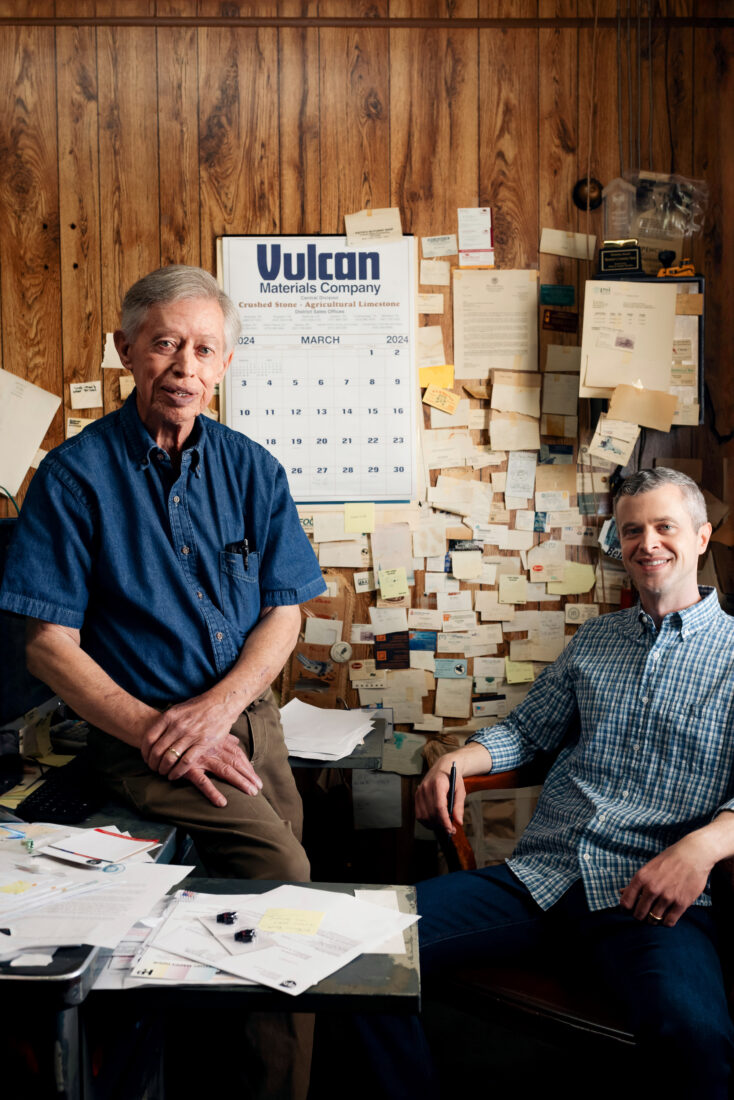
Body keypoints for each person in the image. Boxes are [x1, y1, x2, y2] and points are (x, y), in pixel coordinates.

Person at [0, 265, 326, 1098]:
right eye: (165, 342)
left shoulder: (254, 469)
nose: (185, 363)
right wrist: (159, 729)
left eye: (205, 348)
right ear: (127, 351)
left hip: (251, 726)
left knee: (271, 908)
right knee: (283, 890)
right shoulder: (74, 478)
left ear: (223, 366)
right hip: (143, 740)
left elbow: (284, 613)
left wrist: (220, 709)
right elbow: (46, 644)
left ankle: (229, 1073)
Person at [366, 467, 734, 1099]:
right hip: (540, 876)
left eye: (665, 527)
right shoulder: (595, 640)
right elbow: (527, 732)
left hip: (649, 896)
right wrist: (458, 759)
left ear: (701, 537)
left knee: (695, 1035)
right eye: (632, 530)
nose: (648, 543)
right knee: (364, 948)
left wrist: (705, 845)